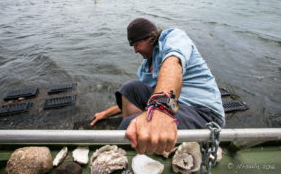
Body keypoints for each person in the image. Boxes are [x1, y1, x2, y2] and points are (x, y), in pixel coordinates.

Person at [90, 18, 225, 155]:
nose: (135, 51)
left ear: (149, 38)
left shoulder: (173, 37)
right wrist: (106, 113)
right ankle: (147, 142)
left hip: (202, 112)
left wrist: (161, 109)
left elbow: (173, 65)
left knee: (128, 127)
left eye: (137, 44)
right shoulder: (145, 69)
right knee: (130, 89)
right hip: (175, 105)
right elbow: (151, 95)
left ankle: (137, 149)